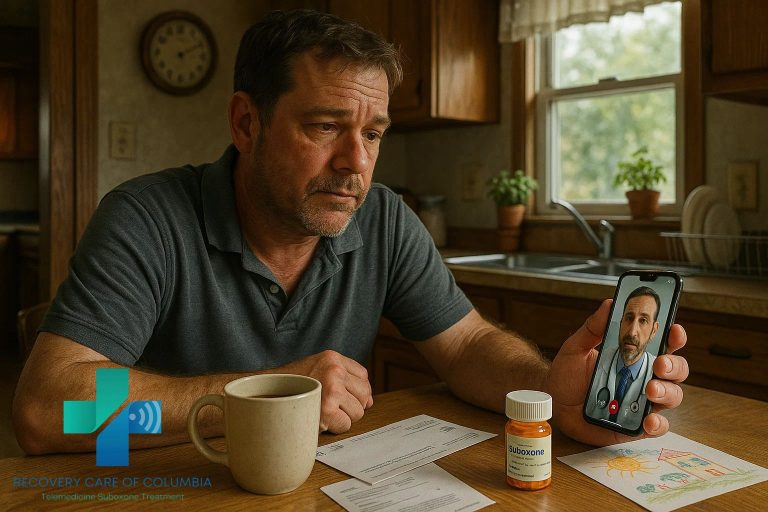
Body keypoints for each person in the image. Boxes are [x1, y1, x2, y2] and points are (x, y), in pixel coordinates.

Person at [13, 9, 688, 454]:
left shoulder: (384, 219)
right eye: (325, 127)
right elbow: (49, 410)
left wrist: (547, 388)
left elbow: (468, 344)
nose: (356, 164)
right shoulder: (147, 218)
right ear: (246, 124)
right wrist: (268, 393)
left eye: (371, 133)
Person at [585, 286, 661, 429]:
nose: (632, 332)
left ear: (654, 330)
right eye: (629, 318)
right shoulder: (595, 361)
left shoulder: (659, 374)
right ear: (621, 323)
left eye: (643, 320)